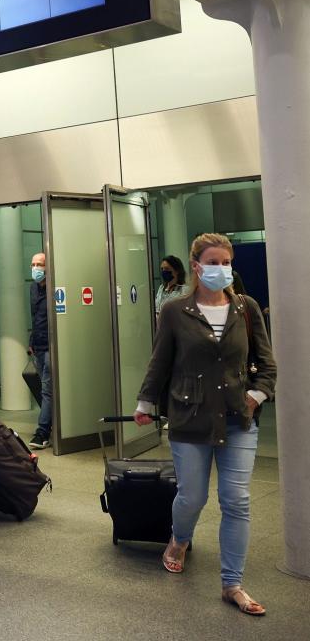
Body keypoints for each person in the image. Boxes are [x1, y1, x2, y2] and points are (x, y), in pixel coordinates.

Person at [134, 233, 275, 616]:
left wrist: (256, 396)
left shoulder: (246, 309)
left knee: (237, 501)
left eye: (226, 262)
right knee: (192, 497)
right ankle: (179, 538)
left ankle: (233, 583)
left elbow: (267, 363)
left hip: (237, 419)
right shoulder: (176, 311)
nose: (221, 269)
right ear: (195, 266)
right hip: (189, 416)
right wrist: (146, 402)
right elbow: (159, 362)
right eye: (212, 262)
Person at [27, 252, 52, 450]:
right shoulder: (33, 288)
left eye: (40, 264)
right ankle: (49, 426)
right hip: (38, 345)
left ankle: (42, 432)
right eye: (33, 264)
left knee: (47, 390)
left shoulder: (55, 289)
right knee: (45, 390)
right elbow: (35, 318)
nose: (36, 268)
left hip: (53, 347)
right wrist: (31, 341)